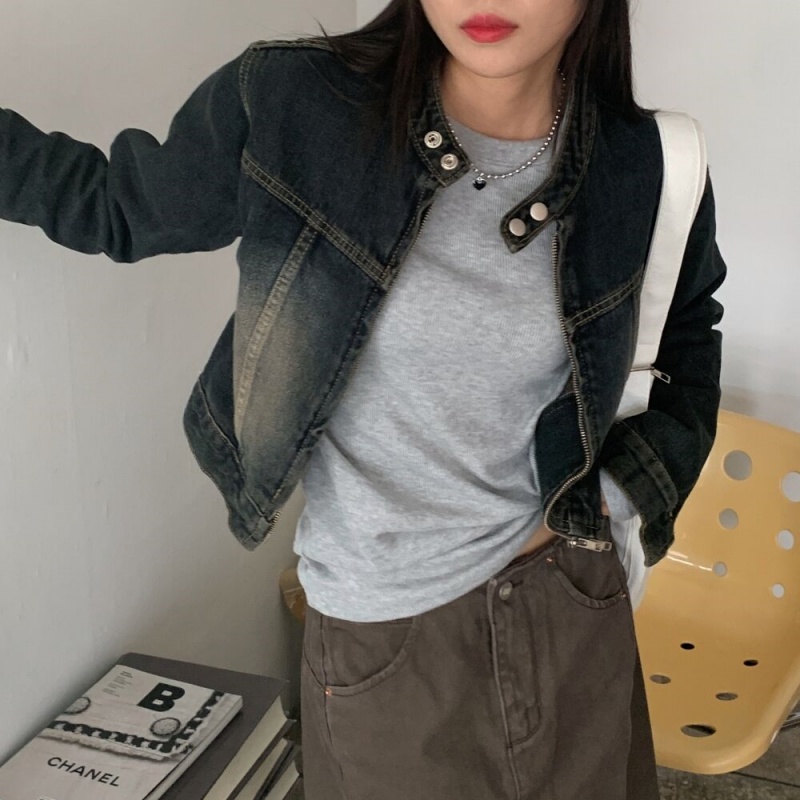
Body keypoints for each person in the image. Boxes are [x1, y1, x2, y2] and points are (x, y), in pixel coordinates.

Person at [0, 0, 726, 797]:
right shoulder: (293, 102)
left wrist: (619, 496)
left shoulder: (648, 164)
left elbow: (688, 333)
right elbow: (117, 207)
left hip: (571, 601)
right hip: (385, 631)